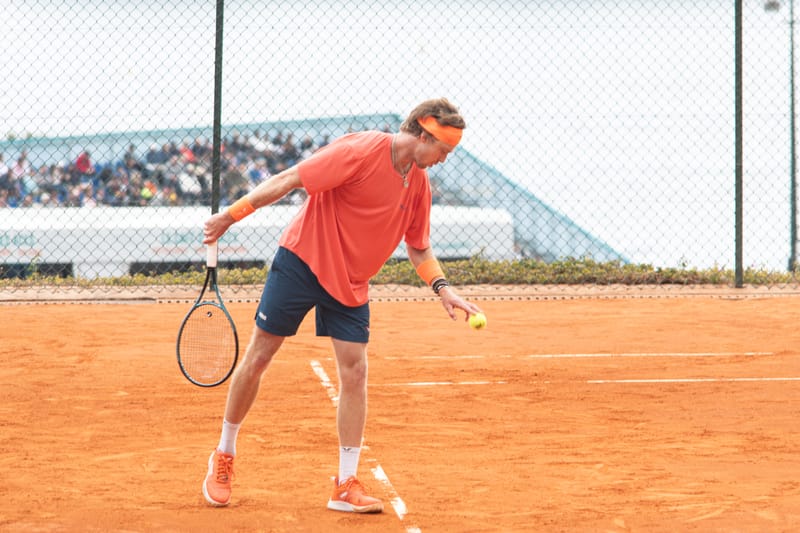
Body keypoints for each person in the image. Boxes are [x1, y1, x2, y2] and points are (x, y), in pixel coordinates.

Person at [200, 98, 483, 513]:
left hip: (350, 283)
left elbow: (419, 248)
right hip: (303, 262)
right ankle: (224, 454)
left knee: (356, 370)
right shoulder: (360, 151)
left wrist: (444, 289)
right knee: (260, 355)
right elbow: (290, 178)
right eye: (444, 149)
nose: (445, 159)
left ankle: (345, 483)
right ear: (424, 135)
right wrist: (230, 217)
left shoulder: (419, 184)